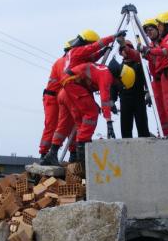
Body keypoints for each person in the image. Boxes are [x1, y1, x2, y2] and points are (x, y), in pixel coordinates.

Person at [41, 29, 125, 165]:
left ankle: (53, 153)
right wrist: (113, 37)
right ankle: (81, 154)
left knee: (68, 123)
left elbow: (91, 56)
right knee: (91, 113)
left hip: (65, 92)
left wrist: (102, 53)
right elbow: (93, 48)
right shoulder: (78, 52)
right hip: (71, 87)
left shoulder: (74, 55)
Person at [61, 59, 135, 164]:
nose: (119, 87)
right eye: (121, 84)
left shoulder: (105, 71)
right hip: (72, 82)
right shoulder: (107, 76)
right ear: (120, 78)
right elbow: (104, 99)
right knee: (92, 113)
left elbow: (97, 89)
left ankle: (79, 149)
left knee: (88, 113)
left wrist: (108, 105)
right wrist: (109, 123)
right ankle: (82, 150)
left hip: (76, 82)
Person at [112, 39, 150, 138]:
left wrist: (148, 93)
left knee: (143, 128)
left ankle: (145, 150)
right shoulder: (118, 68)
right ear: (120, 52)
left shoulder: (139, 66)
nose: (125, 51)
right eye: (123, 49)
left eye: (128, 48)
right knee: (125, 129)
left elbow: (148, 82)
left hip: (139, 99)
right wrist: (112, 100)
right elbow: (114, 85)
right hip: (124, 100)